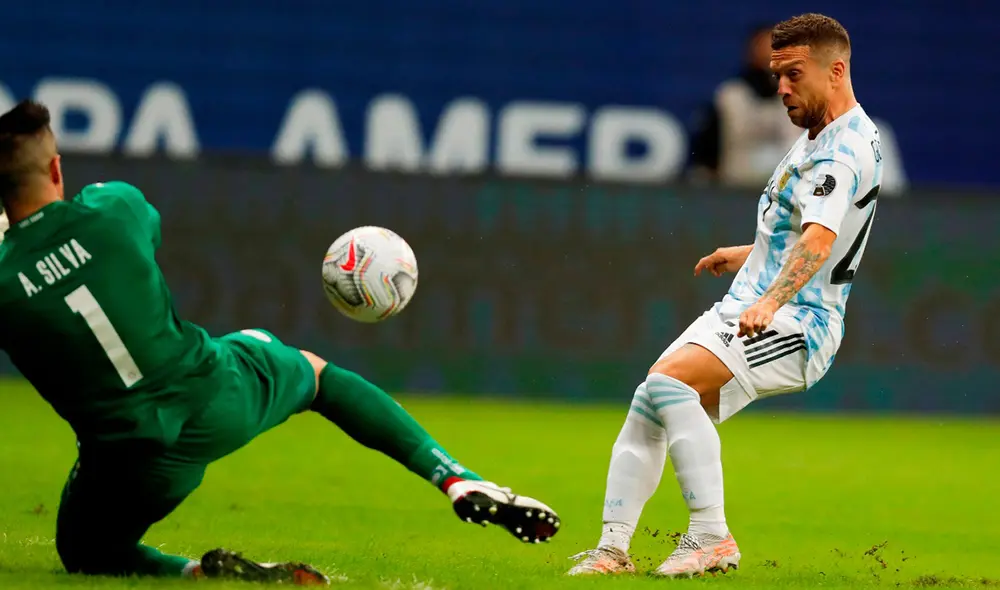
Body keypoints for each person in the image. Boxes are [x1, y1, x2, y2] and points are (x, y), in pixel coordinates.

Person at [0, 100, 560, 585]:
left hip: (130, 460)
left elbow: (37, 272)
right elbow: (123, 236)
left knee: (88, 555)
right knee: (314, 375)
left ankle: (195, 573)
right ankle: (455, 478)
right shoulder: (114, 207)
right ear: (55, 167)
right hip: (215, 395)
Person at [568, 13, 883, 578]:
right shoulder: (824, 137)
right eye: (775, 75)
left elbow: (821, 236)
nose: (780, 88)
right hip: (756, 301)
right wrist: (750, 256)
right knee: (651, 399)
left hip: (798, 323)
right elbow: (805, 232)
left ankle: (711, 536)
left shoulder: (840, 152)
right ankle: (612, 551)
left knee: (669, 383)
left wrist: (770, 298)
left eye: (793, 75)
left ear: (836, 70)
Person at [687, 24, 801, 187]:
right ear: (752, 50)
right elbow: (707, 145)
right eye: (765, 46)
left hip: (782, 192)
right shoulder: (730, 94)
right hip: (736, 188)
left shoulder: (798, 96)